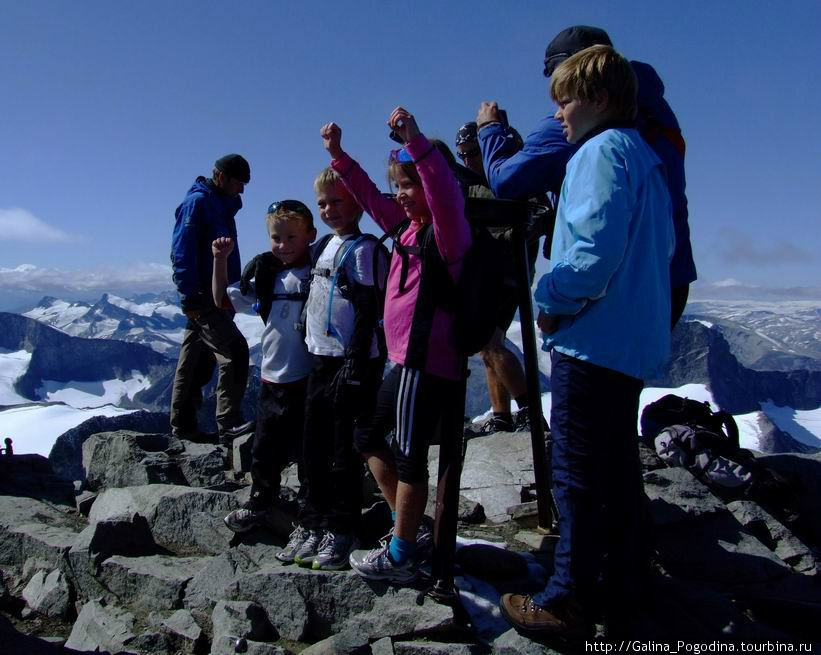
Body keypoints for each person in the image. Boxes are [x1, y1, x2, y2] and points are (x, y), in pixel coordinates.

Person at [498, 46, 674, 640]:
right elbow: (660, 253)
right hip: (629, 343)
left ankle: (566, 597)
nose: (560, 116)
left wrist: (550, 298)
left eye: (566, 101)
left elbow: (593, 257)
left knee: (575, 474)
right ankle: (625, 587)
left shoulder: (597, 155)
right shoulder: (644, 155)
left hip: (591, 343)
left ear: (598, 99)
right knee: (617, 468)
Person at [320, 107, 471, 584]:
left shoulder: (448, 234)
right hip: (402, 362)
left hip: (426, 363)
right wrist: (340, 159)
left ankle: (403, 555)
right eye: (399, 185)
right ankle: (410, 531)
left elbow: (444, 193)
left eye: (409, 185)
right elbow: (368, 194)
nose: (401, 195)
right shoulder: (407, 228)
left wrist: (417, 143)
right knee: (366, 436)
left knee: (408, 457)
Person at [477, 25, 696, 326]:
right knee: (629, 370)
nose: (557, 104)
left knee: (588, 368)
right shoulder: (656, 114)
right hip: (671, 276)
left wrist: (489, 131)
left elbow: (506, 182)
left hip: (600, 293)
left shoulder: (584, 133)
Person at [291, 167, 387, 571]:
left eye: (337, 202)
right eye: (323, 204)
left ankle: (341, 527)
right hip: (320, 357)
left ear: (357, 204)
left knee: (341, 451)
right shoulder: (324, 247)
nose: (329, 210)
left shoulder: (364, 249)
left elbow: (369, 308)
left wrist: (354, 359)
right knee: (313, 444)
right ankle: (313, 521)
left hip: (352, 363)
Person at [214, 201, 316, 562]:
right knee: (265, 448)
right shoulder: (269, 275)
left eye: (291, 237)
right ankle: (261, 501)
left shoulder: (317, 273)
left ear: (310, 238)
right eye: (276, 237)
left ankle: (308, 519)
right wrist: (220, 261)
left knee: (308, 454)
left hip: (307, 378)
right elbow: (224, 300)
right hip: (273, 377)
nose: (283, 244)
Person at [455, 122, 537, 435]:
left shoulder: (512, 175)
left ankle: (529, 409)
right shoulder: (476, 181)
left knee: (489, 344)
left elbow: (537, 218)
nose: (467, 160)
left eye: (472, 153)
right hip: (488, 273)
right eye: (463, 155)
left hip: (507, 273)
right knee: (487, 345)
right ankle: (502, 415)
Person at [170, 154, 254, 443]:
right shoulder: (199, 204)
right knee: (236, 352)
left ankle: (183, 428)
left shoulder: (218, 207)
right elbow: (182, 253)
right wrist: (191, 298)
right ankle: (229, 424)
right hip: (205, 298)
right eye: (238, 183)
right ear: (221, 177)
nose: (241, 190)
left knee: (194, 360)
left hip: (213, 297)